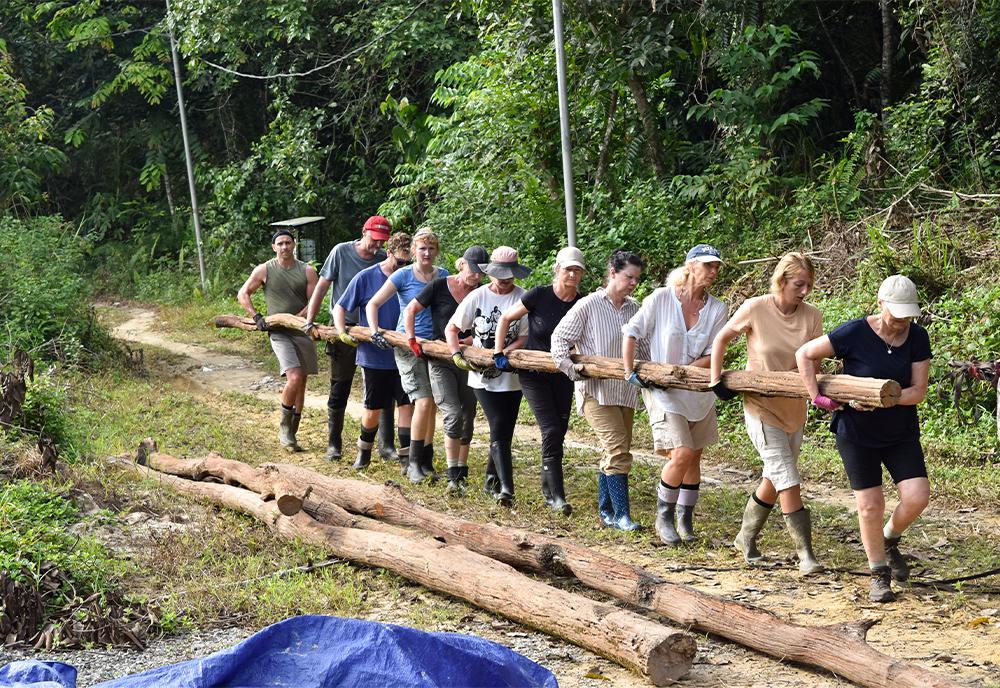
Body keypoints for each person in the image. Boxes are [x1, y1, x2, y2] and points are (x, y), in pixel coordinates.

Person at [796, 275, 931, 602]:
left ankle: (889, 537)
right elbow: (805, 354)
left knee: (917, 496)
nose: (901, 321)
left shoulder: (918, 337)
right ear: (880, 303)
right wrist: (816, 396)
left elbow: (918, 391)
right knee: (870, 505)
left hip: (899, 431)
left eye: (907, 315)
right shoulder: (855, 332)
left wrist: (882, 397)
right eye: (896, 313)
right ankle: (878, 573)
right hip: (856, 431)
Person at [710, 253, 824, 574]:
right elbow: (721, 338)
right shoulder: (756, 308)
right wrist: (716, 379)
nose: (804, 291)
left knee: (774, 478)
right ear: (782, 281)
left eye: (808, 285)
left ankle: (744, 538)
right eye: (798, 284)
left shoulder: (812, 316)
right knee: (789, 480)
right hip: (760, 409)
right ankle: (806, 555)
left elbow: (815, 358)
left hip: (794, 409)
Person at [623, 244, 727, 544]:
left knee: (694, 457)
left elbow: (715, 352)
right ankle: (664, 517)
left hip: (698, 393)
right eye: (708, 265)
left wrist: (687, 372)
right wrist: (630, 372)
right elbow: (631, 331)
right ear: (690, 266)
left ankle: (685, 520)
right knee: (680, 453)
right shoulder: (661, 298)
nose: (713, 271)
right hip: (664, 391)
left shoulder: (718, 308)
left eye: (716, 267)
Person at [550, 249, 647, 531]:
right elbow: (559, 339)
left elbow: (644, 345)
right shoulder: (589, 305)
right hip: (596, 391)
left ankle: (605, 510)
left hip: (625, 391)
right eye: (629, 277)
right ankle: (622, 515)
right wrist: (573, 370)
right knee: (618, 449)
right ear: (613, 273)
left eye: (637, 279)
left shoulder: (634, 308)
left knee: (617, 449)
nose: (633, 283)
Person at [494, 246, 585, 515]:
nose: (572, 274)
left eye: (577, 270)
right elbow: (507, 318)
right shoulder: (539, 295)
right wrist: (500, 352)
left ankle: (549, 485)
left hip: (563, 373)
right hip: (533, 373)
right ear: (557, 269)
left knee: (561, 429)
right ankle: (555, 495)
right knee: (551, 430)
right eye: (568, 269)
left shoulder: (582, 302)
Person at [446, 246, 530, 506]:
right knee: (497, 424)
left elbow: (525, 335)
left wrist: (504, 351)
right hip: (482, 374)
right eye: (500, 275)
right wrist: (457, 355)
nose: (505, 280)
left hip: (511, 372)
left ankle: (492, 480)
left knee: (506, 427)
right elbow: (453, 328)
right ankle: (506, 488)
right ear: (490, 272)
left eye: (510, 275)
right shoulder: (477, 297)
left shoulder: (523, 297)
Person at [303, 216, 391, 462]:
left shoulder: (385, 259)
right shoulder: (341, 252)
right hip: (343, 327)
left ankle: (386, 446)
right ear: (364, 232)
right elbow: (322, 287)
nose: (377, 247)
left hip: (374, 330)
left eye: (382, 242)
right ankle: (334, 443)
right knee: (340, 385)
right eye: (374, 240)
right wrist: (310, 320)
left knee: (380, 386)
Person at [367, 228, 448, 482]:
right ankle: (412, 464)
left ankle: (427, 461)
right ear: (413, 251)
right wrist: (375, 331)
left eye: (431, 248)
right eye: (421, 248)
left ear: (437, 252)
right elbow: (373, 304)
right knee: (422, 401)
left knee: (432, 405)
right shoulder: (403, 275)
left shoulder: (443, 276)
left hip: (435, 347)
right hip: (407, 345)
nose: (426, 253)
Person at [405, 246, 488, 493]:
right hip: (440, 358)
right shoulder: (440, 286)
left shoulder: (483, 293)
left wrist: (470, 341)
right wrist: (411, 339)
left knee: (468, 413)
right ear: (462, 264)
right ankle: (452, 474)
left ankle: (462, 471)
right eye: (473, 270)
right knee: (452, 414)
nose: (476, 276)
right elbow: (411, 309)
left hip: (470, 359)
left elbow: (487, 327)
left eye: (482, 273)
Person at [333, 233, 415, 470]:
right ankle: (364, 452)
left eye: (408, 263)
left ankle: (406, 457)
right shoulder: (366, 277)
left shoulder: (414, 277)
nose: (404, 267)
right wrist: (343, 333)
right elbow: (341, 306)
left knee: (406, 404)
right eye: (400, 262)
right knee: (373, 407)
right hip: (374, 355)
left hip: (404, 354)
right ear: (388, 254)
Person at [237, 229, 319, 451]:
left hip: (302, 330)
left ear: (294, 245)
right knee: (293, 377)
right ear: (274, 247)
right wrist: (256, 316)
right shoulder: (265, 269)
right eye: (280, 243)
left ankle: (293, 431)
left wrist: (298, 318)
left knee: (302, 382)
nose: (284, 247)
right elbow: (243, 293)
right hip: (278, 332)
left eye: (288, 243)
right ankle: (284, 426)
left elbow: (315, 301)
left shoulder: (307, 271)